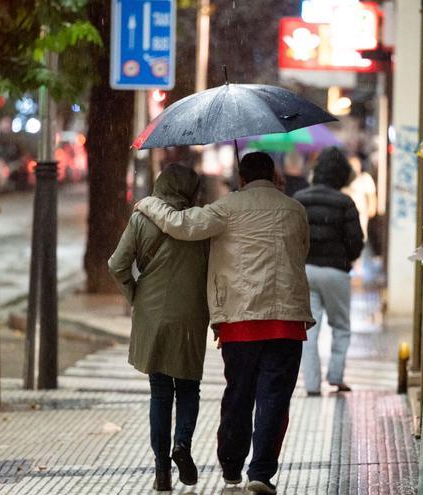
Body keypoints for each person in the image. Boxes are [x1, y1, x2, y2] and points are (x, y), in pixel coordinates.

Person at [136, 152, 314, 495]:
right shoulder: (295, 210)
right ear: (275, 176)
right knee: (274, 399)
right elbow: (301, 250)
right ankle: (260, 473)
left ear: (241, 178)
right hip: (287, 322)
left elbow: (182, 225)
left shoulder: (226, 208)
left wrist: (149, 204)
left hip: (240, 320)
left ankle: (231, 468)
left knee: (239, 396)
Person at [108, 164, 209, 492]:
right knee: (189, 388)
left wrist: (134, 293)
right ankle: (183, 443)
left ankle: (161, 470)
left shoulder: (142, 219)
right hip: (191, 313)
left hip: (152, 311)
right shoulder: (200, 223)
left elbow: (117, 264)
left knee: (161, 392)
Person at [293, 147, 364, 396]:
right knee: (341, 326)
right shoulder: (345, 203)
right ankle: (335, 376)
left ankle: (312, 384)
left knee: (309, 328)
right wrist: (346, 259)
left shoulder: (299, 198)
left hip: (305, 269)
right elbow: (356, 241)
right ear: (341, 176)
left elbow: (292, 236)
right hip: (335, 271)